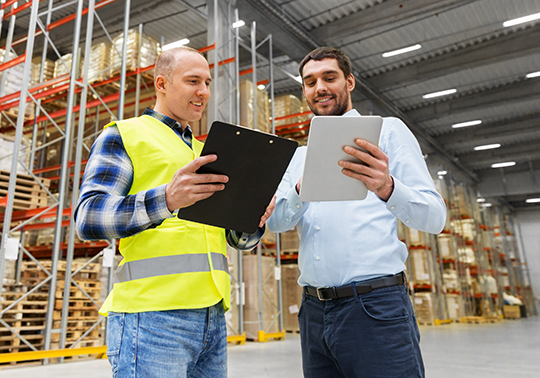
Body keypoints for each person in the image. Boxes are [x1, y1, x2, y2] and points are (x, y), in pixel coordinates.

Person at [75, 46, 275, 378]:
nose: (204, 92)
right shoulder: (125, 135)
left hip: (212, 315)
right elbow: (90, 216)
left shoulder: (207, 151)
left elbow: (234, 239)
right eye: (193, 81)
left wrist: (251, 219)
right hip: (153, 316)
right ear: (162, 84)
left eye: (208, 82)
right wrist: (166, 199)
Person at [266, 46, 446, 377]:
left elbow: (435, 217)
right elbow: (276, 223)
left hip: (373, 307)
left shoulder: (387, 132)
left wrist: (387, 186)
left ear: (349, 82)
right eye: (309, 82)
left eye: (329, 77)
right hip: (314, 313)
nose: (318, 87)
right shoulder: (298, 157)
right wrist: (298, 192)